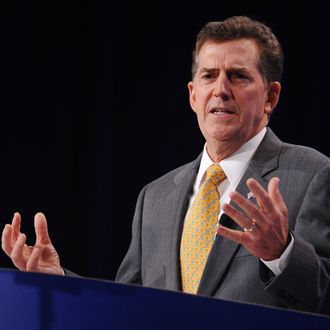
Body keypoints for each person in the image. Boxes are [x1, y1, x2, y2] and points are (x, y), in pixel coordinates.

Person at [2, 16, 330, 315]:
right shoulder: (155, 196)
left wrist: (281, 254)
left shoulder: (312, 174)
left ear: (271, 96)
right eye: (209, 76)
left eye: (238, 76)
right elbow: (125, 308)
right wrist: (59, 279)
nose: (220, 90)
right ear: (192, 94)